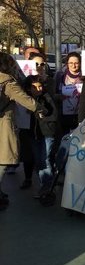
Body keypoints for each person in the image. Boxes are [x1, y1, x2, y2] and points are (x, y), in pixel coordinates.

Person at [0, 53, 39, 210]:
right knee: (3, 160)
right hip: (3, 125)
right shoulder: (7, 82)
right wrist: (41, 108)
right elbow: (25, 100)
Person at [24, 75, 59, 202]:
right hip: (34, 135)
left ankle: (47, 187)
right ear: (28, 89)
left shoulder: (46, 97)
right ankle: (45, 184)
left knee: (46, 159)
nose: (38, 89)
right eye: (34, 87)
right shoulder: (26, 100)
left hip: (47, 134)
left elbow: (54, 115)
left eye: (40, 86)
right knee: (39, 161)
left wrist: (41, 115)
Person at [56, 52, 82, 133]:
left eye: (76, 63)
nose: (73, 65)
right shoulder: (60, 76)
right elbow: (54, 92)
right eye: (71, 63)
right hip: (65, 114)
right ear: (67, 63)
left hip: (80, 113)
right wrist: (59, 96)